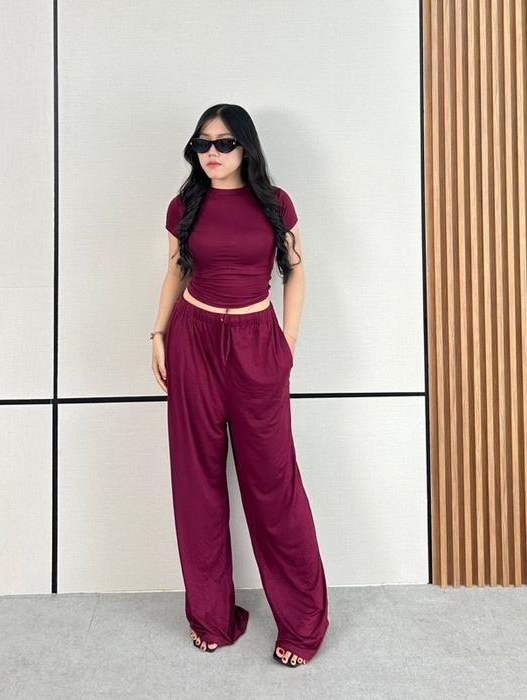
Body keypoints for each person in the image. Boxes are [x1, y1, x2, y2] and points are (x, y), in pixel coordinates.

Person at [151, 104, 329, 668]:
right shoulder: (185, 205)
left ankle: (303, 624)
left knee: (274, 487)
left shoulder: (275, 203)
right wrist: (158, 334)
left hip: (257, 346)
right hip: (193, 342)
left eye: (224, 143)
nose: (212, 153)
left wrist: (288, 342)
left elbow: (296, 270)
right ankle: (212, 618)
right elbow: (176, 270)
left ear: (246, 147)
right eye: (202, 144)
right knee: (196, 486)